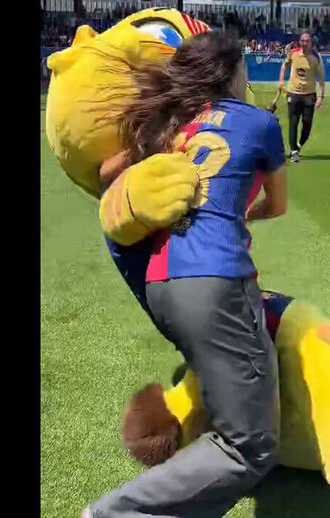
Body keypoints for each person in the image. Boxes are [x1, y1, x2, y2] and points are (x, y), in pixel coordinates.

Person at [84, 31, 289, 518]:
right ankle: (112, 513)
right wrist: (237, 214)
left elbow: (106, 175)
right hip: (214, 279)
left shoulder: (173, 124)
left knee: (234, 387)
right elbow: (277, 206)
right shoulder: (259, 122)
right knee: (250, 446)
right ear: (234, 73)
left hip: (157, 284)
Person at [278, 31, 326, 163]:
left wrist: (321, 97)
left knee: (307, 123)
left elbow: (321, 79)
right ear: (300, 42)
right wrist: (281, 81)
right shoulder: (293, 53)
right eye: (302, 41)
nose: (304, 43)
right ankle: (293, 151)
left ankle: (298, 145)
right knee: (293, 123)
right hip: (293, 93)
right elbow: (284, 66)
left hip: (309, 95)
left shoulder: (316, 57)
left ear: (311, 43)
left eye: (307, 41)